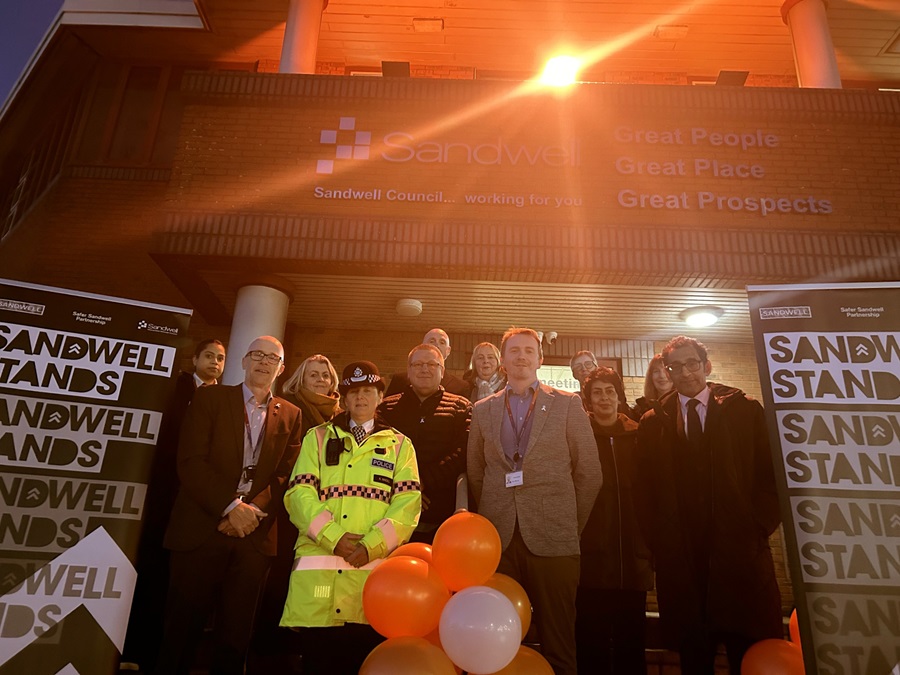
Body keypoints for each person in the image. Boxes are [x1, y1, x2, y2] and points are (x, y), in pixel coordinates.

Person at [154, 336, 303, 675]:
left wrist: (249, 512)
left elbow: (286, 474)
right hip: (200, 529)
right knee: (180, 633)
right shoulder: (210, 398)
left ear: (281, 368)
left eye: (272, 358)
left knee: (235, 639)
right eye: (257, 355)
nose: (264, 362)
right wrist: (229, 506)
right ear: (244, 361)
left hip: (253, 534)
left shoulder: (291, 414)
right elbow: (191, 461)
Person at [635, 336, 782, 675]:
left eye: (692, 364)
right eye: (676, 367)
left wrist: (755, 527)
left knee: (746, 656)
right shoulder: (653, 422)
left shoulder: (744, 411)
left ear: (707, 366)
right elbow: (643, 491)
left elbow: (770, 476)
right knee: (694, 661)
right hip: (684, 562)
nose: (685, 373)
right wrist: (659, 541)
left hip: (738, 558)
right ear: (667, 372)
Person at [468, 327, 602, 675]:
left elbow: (589, 473)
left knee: (559, 644)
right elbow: (477, 473)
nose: (522, 357)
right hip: (498, 541)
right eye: (514, 351)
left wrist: (570, 524)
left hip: (555, 541)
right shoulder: (482, 411)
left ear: (540, 359)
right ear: (503, 360)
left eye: (529, 350)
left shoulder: (569, 404)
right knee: (498, 642)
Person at [281, 361, 421, 674]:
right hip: (319, 585)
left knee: (365, 664)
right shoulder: (316, 438)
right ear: (343, 398)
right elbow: (298, 496)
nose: (360, 398)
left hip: (372, 585)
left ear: (380, 396)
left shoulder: (400, 445)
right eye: (353, 391)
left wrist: (372, 545)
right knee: (318, 663)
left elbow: (408, 504)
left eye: (367, 391)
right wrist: (334, 538)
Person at [122, 338, 226, 673]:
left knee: (179, 586)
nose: (214, 362)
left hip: (200, 503)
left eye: (221, 358)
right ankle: (134, 651)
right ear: (194, 359)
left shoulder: (223, 399)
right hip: (163, 495)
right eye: (209, 356)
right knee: (149, 571)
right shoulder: (174, 391)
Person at [248, 354, 342, 674]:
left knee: (315, 582)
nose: (319, 380)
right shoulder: (289, 408)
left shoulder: (342, 417)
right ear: (300, 379)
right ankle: (271, 654)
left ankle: (304, 649)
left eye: (325, 375)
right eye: (313, 374)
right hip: (290, 510)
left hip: (327, 514)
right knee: (281, 579)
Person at [576, 368, 653, 675]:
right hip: (590, 559)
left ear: (619, 396)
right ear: (588, 400)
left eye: (610, 391)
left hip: (632, 561)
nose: (604, 398)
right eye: (597, 392)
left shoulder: (639, 435)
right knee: (589, 642)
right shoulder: (578, 438)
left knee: (631, 644)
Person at [379, 344, 471, 542]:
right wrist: (408, 487)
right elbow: (378, 452)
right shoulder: (386, 408)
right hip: (389, 511)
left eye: (431, 364)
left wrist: (424, 482)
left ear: (442, 371)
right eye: (418, 364)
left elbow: (463, 452)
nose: (424, 369)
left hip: (441, 515)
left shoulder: (461, 408)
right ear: (409, 371)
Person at [385, 328, 470, 396]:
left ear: (448, 351)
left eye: (442, 342)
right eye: (432, 341)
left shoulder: (461, 386)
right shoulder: (400, 380)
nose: (437, 345)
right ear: (423, 346)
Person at [630, 353, 674, 421]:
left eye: (666, 370)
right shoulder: (639, 410)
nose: (662, 376)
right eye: (656, 371)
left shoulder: (685, 405)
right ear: (651, 377)